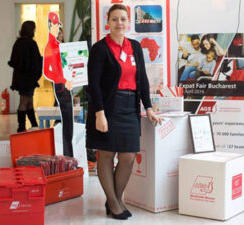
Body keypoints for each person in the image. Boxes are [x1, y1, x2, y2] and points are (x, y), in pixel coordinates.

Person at [86, 4, 162, 220]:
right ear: (108, 22)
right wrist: (99, 113)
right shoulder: (100, 49)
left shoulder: (135, 47)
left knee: (128, 156)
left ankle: (114, 199)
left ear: (128, 22)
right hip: (108, 108)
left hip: (129, 108)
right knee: (107, 154)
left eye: (123, 19)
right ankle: (114, 202)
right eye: (115, 19)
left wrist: (148, 108)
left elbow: (143, 80)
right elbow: (94, 84)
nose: (119, 23)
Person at [43, 12, 74, 157]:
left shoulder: (59, 46)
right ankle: (68, 156)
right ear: (50, 25)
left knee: (69, 123)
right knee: (67, 122)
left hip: (66, 85)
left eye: (58, 25)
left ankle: (69, 155)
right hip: (61, 87)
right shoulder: (50, 47)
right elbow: (48, 72)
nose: (57, 29)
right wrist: (63, 80)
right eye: (55, 25)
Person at [8, 21, 42, 132]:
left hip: (20, 78)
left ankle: (33, 125)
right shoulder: (32, 44)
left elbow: (13, 61)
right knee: (24, 102)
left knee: (28, 102)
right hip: (29, 79)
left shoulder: (17, 43)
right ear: (31, 30)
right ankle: (21, 127)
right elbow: (37, 62)